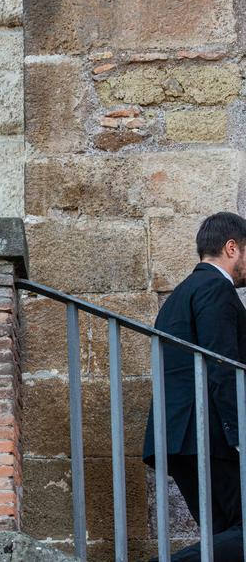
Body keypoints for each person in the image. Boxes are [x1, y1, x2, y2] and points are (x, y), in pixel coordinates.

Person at [143, 212, 246, 561]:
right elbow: (222, 366)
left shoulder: (180, 295)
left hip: (179, 438)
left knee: (223, 539)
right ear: (232, 248)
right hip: (208, 437)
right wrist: (240, 437)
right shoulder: (217, 288)